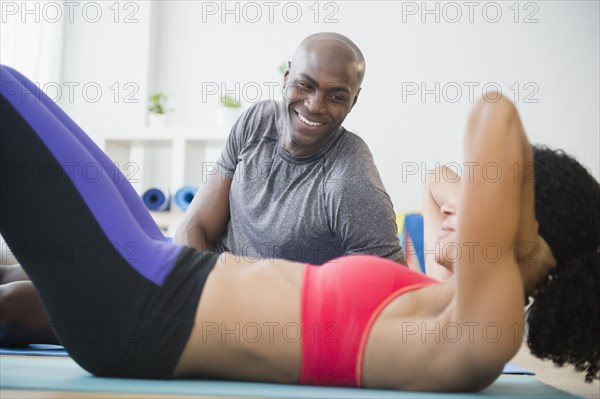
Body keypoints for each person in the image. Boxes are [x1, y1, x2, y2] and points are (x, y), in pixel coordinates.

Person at [1, 65, 598, 391]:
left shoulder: (485, 332)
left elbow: (494, 112)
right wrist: (488, 233)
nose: (458, 207)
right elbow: (443, 181)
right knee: (15, 88)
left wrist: (504, 237)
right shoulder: (444, 299)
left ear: (525, 234)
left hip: (141, 303)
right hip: (157, 273)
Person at [174, 32, 402, 264]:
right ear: (286, 77)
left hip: (275, 298)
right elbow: (195, 225)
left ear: (353, 102)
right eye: (305, 85)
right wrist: (197, 289)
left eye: (335, 96)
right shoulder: (256, 121)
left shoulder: (351, 178)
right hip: (214, 281)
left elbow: (396, 283)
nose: (314, 105)